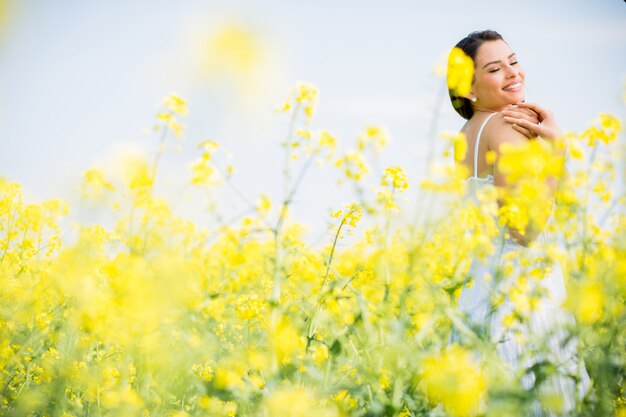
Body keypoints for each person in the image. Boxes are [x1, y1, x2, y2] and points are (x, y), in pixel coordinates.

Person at [447, 30, 590, 416]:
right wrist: (557, 151)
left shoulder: (465, 136)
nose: (512, 73)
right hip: (523, 304)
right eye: (495, 68)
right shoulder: (509, 126)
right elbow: (523, 229)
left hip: (478, 299)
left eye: (513, 60)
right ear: (469, 89)